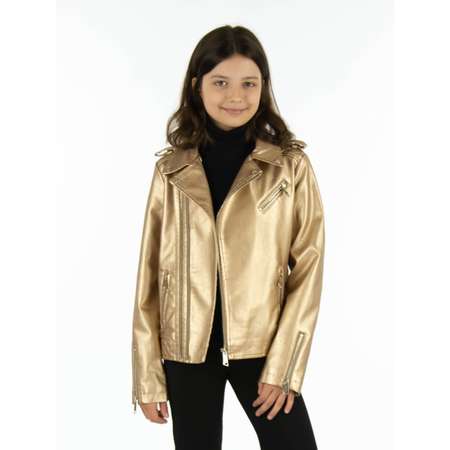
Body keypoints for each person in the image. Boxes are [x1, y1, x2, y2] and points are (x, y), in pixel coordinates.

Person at [131, 25, 325, 450]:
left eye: (248, 83)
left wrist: (285, 365)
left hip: (263, 345)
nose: (235, 96)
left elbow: (308, 267)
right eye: (221, 82)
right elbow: (150, 276)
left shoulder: (289, 167)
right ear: (197, 86)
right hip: (186, 351)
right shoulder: (171, 170)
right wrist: (147, 374)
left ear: (263, 87)